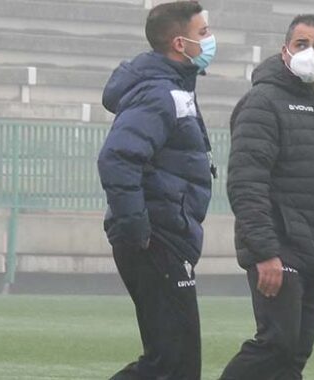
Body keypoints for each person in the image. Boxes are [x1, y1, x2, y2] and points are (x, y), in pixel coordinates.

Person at [219, 14, 314, 380]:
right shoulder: (262, 102)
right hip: (278, 248)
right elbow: (246, 182)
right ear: (284, 51)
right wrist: (265, 251)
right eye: (301, 44)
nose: (309, 52)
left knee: (294, 356)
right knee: (276, 344)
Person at [97, 1, 216, 379]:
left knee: (177, 364)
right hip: (157, 239)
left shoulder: (174, 90)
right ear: (180, 44)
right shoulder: (159, 93)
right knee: (170, 364)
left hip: (169, 236)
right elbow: (116, 157)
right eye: (203, 33)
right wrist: (138, 229)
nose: (210, 40)